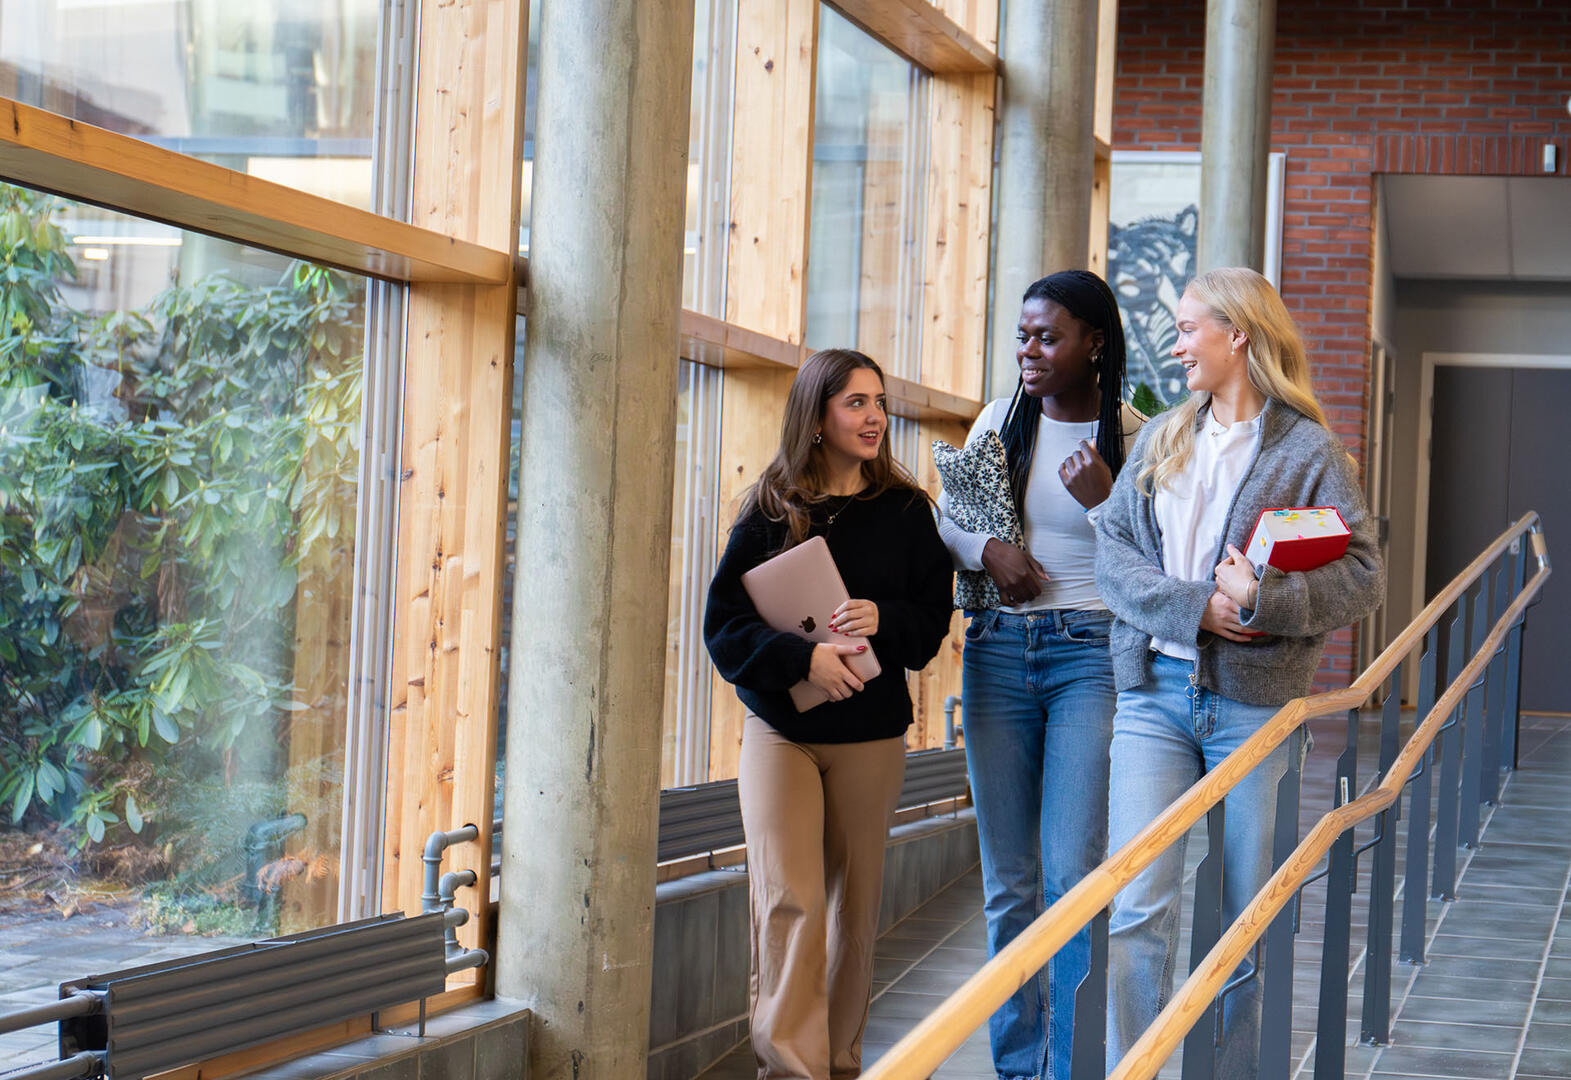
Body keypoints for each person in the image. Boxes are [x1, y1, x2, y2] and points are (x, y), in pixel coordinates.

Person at [1094, 267, 1384, 1077]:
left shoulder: (1308, 449)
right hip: (1153, 695)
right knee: (1135, 905)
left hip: (1253, 707)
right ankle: (1135, 1068)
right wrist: (1196, 609)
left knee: (1245, 914)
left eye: (1189, 330)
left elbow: (1363, 576)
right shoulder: (1161, 436)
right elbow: (1111, 554)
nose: (1176, 345)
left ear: (1238, 335)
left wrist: (1261, 600)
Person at [704, 348, 954, 1080]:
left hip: (870, 737)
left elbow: (929, 625)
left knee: (852, 911)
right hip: (781, 733)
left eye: (878, 402)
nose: (874, 416)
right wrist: (800, 660)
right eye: (855, 403)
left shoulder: (909, 513)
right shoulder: (769, 506)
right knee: (789, 899)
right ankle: (789, 1068)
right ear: (816, 416)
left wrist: (886, 617)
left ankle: (840, 1063)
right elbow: (725, 625)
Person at [936, 269, 1141, 1080]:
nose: (1027, 349)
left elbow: (1156, 562)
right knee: (1008, 884)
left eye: (1046, 336)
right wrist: (988, 550)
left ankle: (1067, 1068)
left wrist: (1104, 500)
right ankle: (1017, 1066)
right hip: (996, 653)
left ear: (1093, 342)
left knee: (1069, 874)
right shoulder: (999, 421)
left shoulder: (1132, 434)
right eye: (1022, 334)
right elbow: (951, 518)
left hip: (1089, 656)